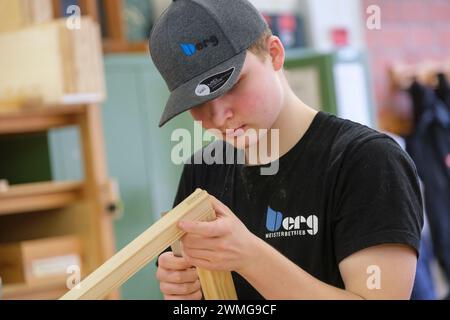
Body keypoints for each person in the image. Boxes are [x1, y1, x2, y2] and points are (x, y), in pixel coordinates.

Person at [150, 0, 423, 300]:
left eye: (229, 86)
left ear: (275, 54)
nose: (217, 116)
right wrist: (184, 290)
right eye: (197, 103)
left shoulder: (367, 162)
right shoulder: (202, 172)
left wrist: (251, 258)